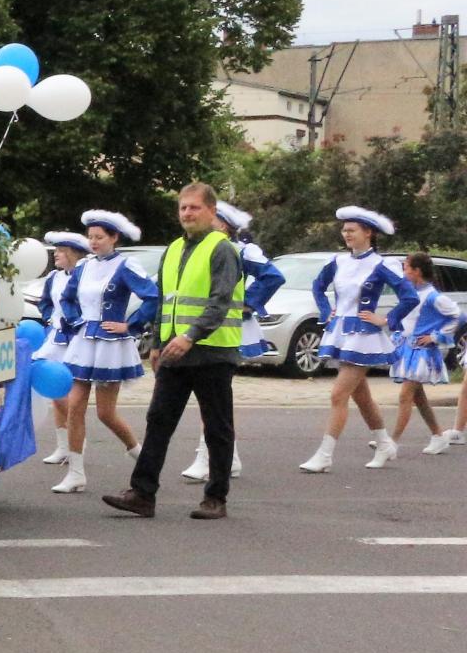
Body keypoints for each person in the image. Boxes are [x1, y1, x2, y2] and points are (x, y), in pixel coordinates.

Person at [103, 183, 240, 521]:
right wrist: (157, 342)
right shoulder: (174, 249)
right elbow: (166, 301)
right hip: (175, 352)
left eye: (194, 208)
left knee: (217, 427)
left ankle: (216, 498)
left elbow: (219, 302)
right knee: (159, 421)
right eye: (183, 208)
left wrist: (190, 337)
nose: (187, 214)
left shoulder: (222, 249)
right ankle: (142, 494)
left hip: (212, 351)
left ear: (211, 211)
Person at [298, 207, 417, 472]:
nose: (346, 234)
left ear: (368, 233)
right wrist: (326, 310)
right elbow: (318, 286)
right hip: (341, 332)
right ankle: (385, 443)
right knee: (361, 397)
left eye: (352, 230)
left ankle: (325, 455)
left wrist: (387, 320)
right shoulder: (339, 262)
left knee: (338, 394)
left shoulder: (382, 264)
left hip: (364, 336)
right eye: (344, 230)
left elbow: (410, 297)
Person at [47, 210, 156, 494]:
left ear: (114, 238)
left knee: (106, 414)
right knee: (75, 406)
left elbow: (153, 297)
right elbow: (67, 299)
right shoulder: (83, 266)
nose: (93, 242)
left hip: (110, 345)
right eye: (90, 237)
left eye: (99, 237)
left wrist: (130, 325)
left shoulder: (125, 266)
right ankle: (76, 473)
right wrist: (75, 321)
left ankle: (142, 456)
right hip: (84, 342)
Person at [182, 202, 281, 484]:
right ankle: (229, 458)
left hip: (228, 329)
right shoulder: (203, 248)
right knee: (214, 396)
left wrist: (248, 302)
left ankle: (208, 458)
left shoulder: (242, 250)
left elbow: (273, 276)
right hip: (209, 326)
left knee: (213, 394)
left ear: (223, 225)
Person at [388, 253, 458, 454]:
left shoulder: (434, 297)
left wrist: (435, 337)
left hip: (422, 354)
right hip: (408, 349)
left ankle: (391, 442)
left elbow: (457, 316)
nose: (404, 272)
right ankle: (438, 435)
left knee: (405, 396)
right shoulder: (410, 293)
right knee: (418, 398)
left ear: (417, 271)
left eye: (406, 268)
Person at [34, 232, 88, 465]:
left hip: (74, 338)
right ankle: (63, 446)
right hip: (54, 336)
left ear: (73, 253)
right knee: (55, 391)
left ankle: (77, 439)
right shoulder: (53, 277)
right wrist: (50, 319)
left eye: (60, 251)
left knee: (69, 392)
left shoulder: (84, 276)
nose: (55, 255)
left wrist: (74, 324)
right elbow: (45, 302)